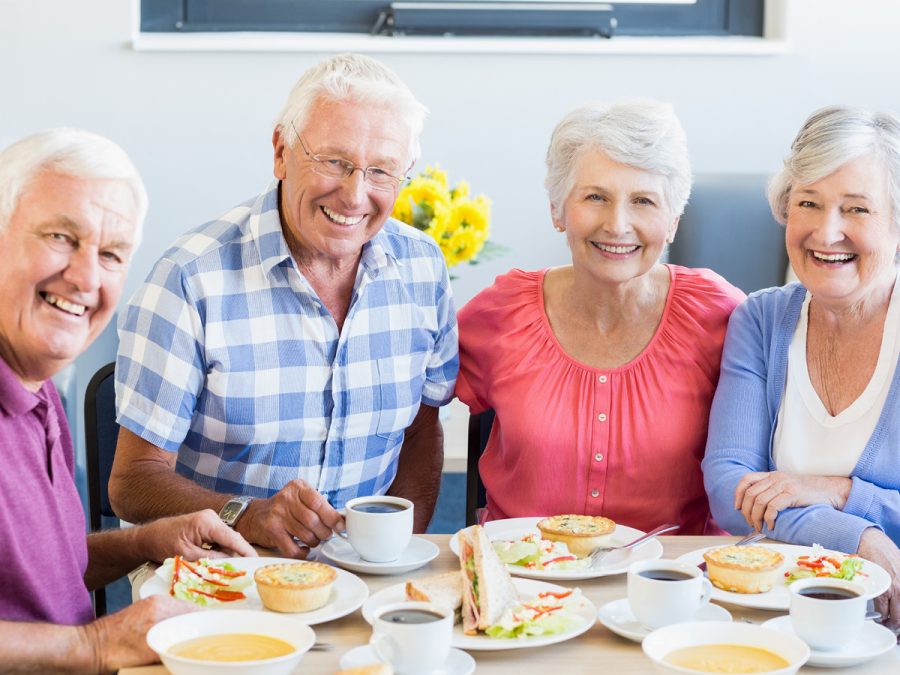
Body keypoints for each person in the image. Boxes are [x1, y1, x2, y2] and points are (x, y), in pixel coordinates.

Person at [109, 53, 458, 557]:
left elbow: (422, 432)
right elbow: (132, 483)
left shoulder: (424, 270)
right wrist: (245, 515)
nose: (355, 195)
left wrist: (398, 552)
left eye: (382, 170)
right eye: (334, 161)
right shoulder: (190, 279)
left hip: (363, 576)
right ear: (280, 152)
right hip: (224, 575)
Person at [0, 129, 256, 672]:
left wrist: (146, 541)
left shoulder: (37, 386)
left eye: (111, 254)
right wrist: (93, 646)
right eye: (60, 237)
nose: (86, 277)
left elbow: (38, 578)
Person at [456, 101, 744, 534]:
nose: (617, 224)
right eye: (595, 197)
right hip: (524, 577)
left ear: (673, 222)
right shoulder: (500, 314)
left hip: (669, 585)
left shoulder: (720, 315)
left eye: (643, 201)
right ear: (558, 209)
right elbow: (410, 405)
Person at [703, 105, 900, 629]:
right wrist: (856, 535)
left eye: (856, 209)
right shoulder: (761, 318)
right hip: (768, 613)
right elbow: (728, 489)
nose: (825, 231)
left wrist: (840, 492)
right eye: (808, 203)